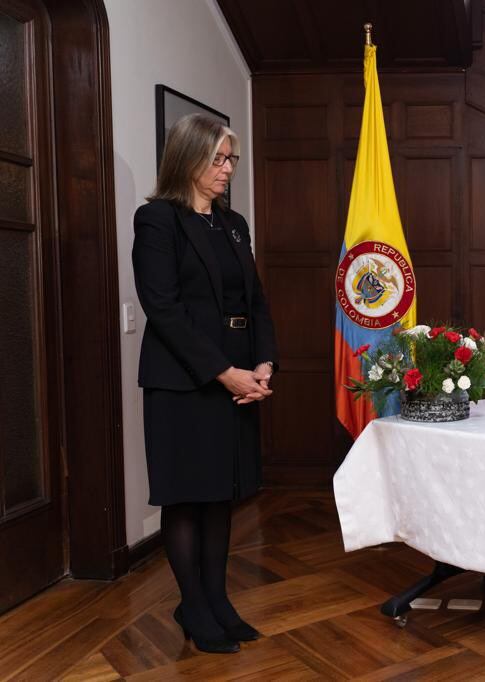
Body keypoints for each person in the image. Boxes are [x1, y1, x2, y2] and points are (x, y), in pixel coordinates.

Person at [132, 114, 278, 655]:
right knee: (187, 496)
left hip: (238, 374)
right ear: (187, 158)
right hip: (184, 381)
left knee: (222, 496)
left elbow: (255, 301)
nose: (227, 169)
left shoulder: (233, 223)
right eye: (217, 159)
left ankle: (217, 602)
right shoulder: (157, 221)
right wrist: (224, 371)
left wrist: (263, 364)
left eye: (231, 159)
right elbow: (163, 310)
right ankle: (192, 605)